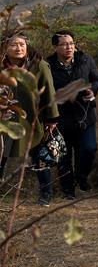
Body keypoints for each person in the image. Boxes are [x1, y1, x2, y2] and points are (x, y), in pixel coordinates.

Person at [1, 32, 59, 206]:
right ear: (5, 46)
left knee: (39, 155)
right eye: (13, 45)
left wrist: (52, 118)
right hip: (6, 118)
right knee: (1, 154)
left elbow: (49, 92)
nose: (18, 48)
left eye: (22, 44)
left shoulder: (39, 65)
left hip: (33, 118)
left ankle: (46, 194)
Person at [46, 30, 98, 197]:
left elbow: (97, 79)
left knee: (89, 149)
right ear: (55, 47)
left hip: (84, 114)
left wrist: (92, 91)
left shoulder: (85, 60)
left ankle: (82, 177)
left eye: (71, 43)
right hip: (60, 117)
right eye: (64, 44)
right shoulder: (48, 65)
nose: (69, 47)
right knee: (63, 155)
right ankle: (68, 190)